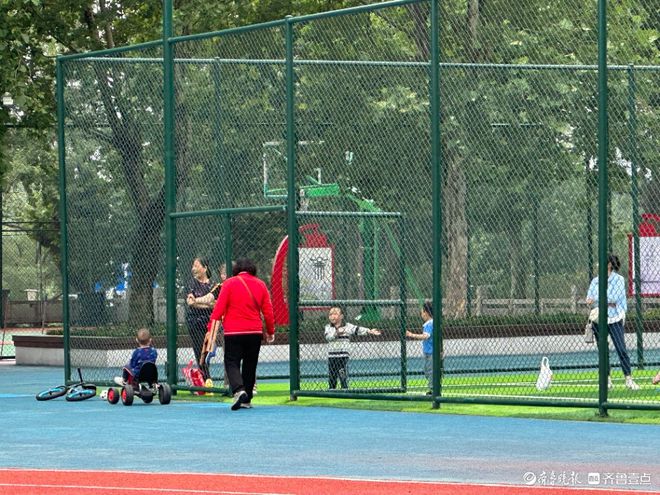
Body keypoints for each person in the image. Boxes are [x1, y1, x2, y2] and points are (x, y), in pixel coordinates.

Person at [208, 257, 275, 410]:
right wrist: (270, 331)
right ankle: (247, 399)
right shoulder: (261, 285)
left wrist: (212, 326)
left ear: (236, 270)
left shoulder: (229, 283)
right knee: (250, 364)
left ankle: (239, 390)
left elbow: (219, 308)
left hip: (233, 331)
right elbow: (268, 312)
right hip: (254, 331)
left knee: (231, 361)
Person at [586, 254, 639, 390]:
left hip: (615, 317)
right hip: (599, 318)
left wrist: (597, 298)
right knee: (603, 350)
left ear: (609, 264)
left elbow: (614, 297)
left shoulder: (619, 280)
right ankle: (607, 379)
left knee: (621, 348)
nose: (599, 265)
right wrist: (598, 299)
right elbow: (589, 299)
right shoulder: (595, 281)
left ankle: (628, 379)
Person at [324, 306, 381, 390]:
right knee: (332, 376)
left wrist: (369, 331)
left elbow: (358, 329)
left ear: (341, 316)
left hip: (343, 356)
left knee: (342, 373)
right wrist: (336, 333)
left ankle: (344, 389)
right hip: (332, 356)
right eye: (330, 314)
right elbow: (328, 337)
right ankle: (331, 390)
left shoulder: (347, 326)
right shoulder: (328, 327)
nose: (332, 316)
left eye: (335, 314)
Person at [185, 257, 213, 380]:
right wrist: (206, 304)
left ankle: (205, 377)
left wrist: (197, 302)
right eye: (193, 266)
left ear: (205, 268)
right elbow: (190, 302)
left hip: (210, 323)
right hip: (195, 322)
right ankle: (206, 378)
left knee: (208, 351)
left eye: (196, 266)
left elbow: (215, 303)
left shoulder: (212, 284)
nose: (193, 269)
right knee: (199, 351)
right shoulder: (191, 284)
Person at [405, 300, 434, 394]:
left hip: (431, 352)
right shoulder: (430, 324)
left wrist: (411, 335)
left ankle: (432, 390)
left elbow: (426, 336)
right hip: (428, 351)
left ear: (426, 313)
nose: (421, 314)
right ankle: (432, 387)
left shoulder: (429, 324)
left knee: (430, 371)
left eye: (422, 312)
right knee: (427, 370)